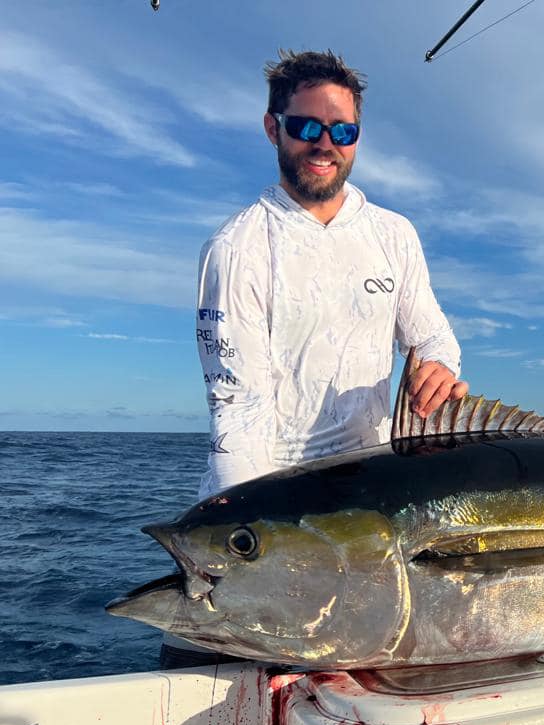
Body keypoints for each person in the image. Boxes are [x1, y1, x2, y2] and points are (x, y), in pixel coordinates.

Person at [163, 49, 466, 669]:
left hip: (374, 517)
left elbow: (432, 336)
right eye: (306, 127)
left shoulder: (393, 234)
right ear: (273, 127)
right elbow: (237, 408)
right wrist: (257, 558)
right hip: (273, 511)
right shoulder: (237, 246)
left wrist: (436, 364)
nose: (324, 144)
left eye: (342, 131)